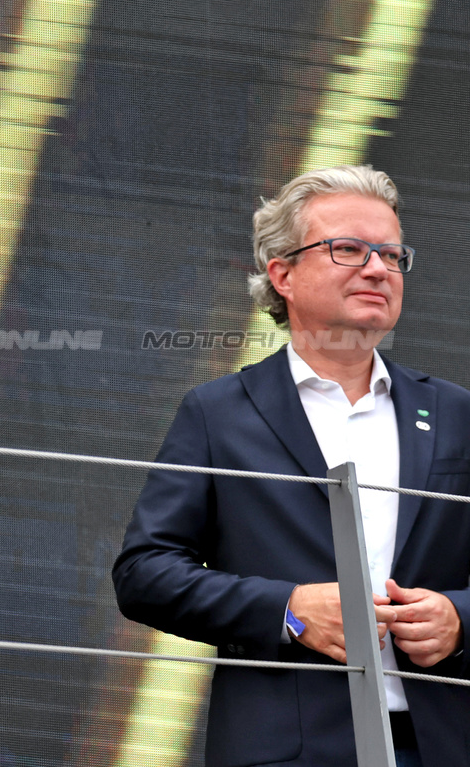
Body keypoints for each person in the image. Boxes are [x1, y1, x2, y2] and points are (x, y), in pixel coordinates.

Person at [112, 164, 470, 767]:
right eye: (349, 249)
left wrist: (460, 619)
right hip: (287, 749)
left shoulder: (457, 412)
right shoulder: (218, 413)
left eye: (391, 254)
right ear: (282, 273)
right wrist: (290, 610)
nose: (378, 269)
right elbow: (146, 574)